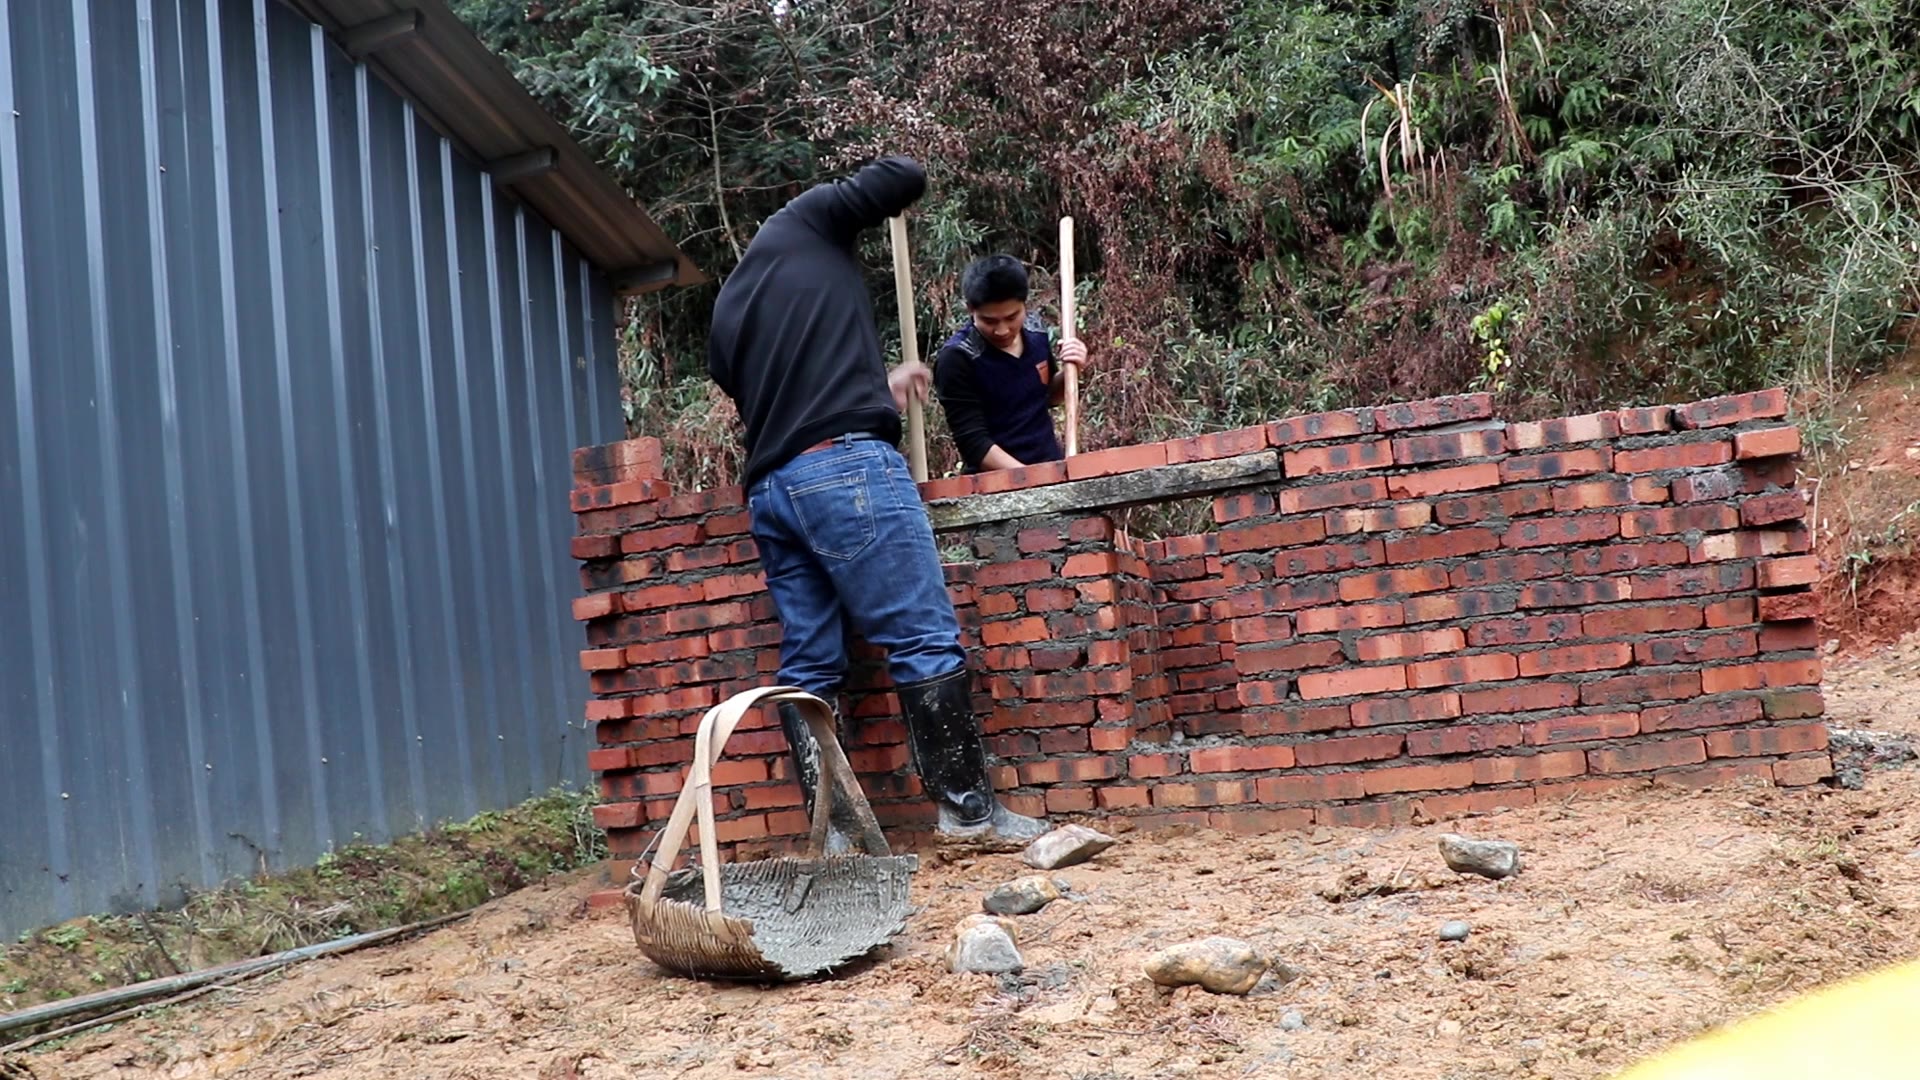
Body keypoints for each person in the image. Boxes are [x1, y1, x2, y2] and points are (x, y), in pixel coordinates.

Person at [706, 156, 1047, 850]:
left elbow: (787, 398)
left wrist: (875, 390)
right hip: (847, 469)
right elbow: (901, 176)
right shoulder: (803, 221)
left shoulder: (730, 309)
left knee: (808, 666)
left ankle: (832, 837)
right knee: (922, 636)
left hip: (774, 493)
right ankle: (968, 814)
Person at [932, 254, 1090, 472]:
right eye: (989, 321)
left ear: (1024, 304)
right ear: (970, 309)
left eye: (1012, 317)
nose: (1002, 330)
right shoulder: (958, 358)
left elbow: (1048, 397)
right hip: (997, 486)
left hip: (1050, 469)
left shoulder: (1036, 332)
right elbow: (975, 444)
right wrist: (1030, 480)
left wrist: (1072, 369)